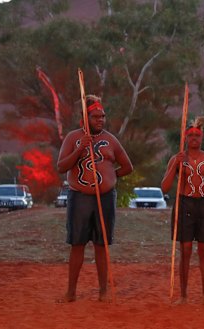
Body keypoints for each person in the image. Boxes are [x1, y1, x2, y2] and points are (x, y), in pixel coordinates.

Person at [56, 95, 133, 303]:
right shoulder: (73, 138)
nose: (101, 120)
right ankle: (71, 292)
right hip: (79, 198)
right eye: (96, 116)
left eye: (103, 116)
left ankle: (103, 292)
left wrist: (110, 176)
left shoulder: (111, 139)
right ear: (85, 117)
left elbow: (127, 166)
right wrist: (80, 148)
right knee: (77, 244)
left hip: (105, 198)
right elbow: (61, 166)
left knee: (101, 245)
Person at [161, 117, 204, 305]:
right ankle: (183, 296)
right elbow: (164, 187)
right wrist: (175, 165)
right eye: (191, 135)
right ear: (186, 138)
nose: (194, 138)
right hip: (184, 204)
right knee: (186, 249)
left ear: (202, 137)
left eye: (198, 135)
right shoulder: (177, 158)